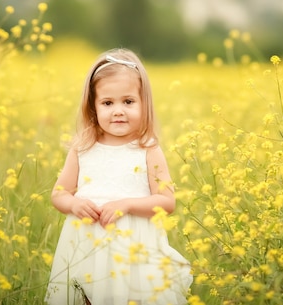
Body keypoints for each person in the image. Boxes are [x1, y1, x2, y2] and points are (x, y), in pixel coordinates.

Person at [46, 49, 192, 305]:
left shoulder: (148, 148)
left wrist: (127, 204)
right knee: (85, 296)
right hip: (87, 245)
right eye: (107, 103)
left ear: (143, 102)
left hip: (134, 249)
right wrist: (74, 204)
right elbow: (59, 194)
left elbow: (167, 202)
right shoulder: (82, 147)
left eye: (128, 102)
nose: (118, 111)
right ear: (93, 106)